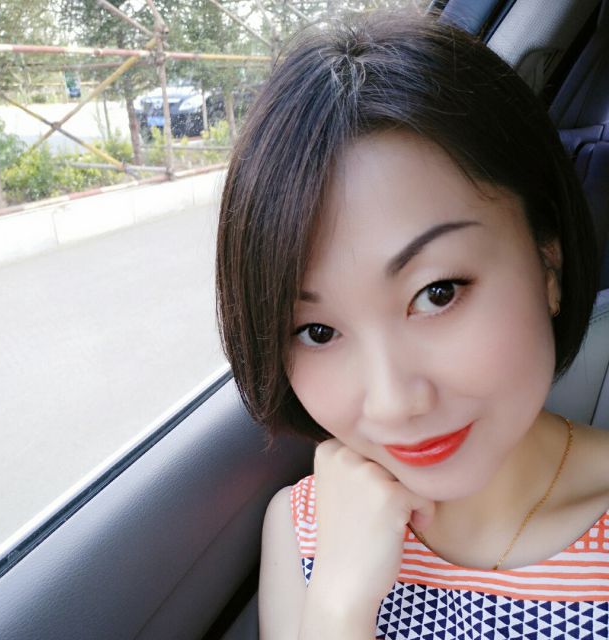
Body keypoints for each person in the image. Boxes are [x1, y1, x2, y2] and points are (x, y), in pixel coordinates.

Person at [215, 9, 609, 640]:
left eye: (437, 293)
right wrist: (339, 607)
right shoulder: (304, 529)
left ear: (547, 264)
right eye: (317, 332)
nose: (394, 403)